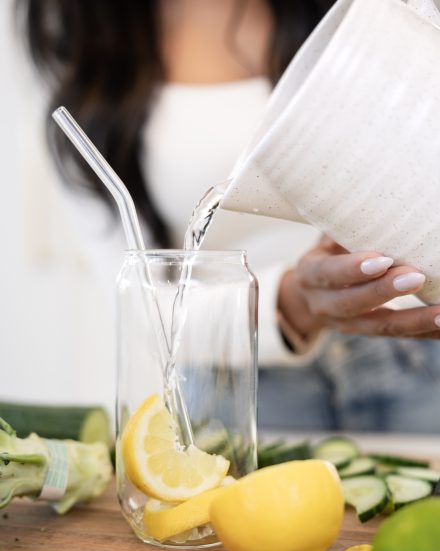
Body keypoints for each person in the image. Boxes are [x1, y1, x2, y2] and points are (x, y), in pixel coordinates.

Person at [7, 0, 440, 433]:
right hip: (242, 391)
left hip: (415, 348)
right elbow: (143, 302)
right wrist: (293, 301)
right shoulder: (90, 71)